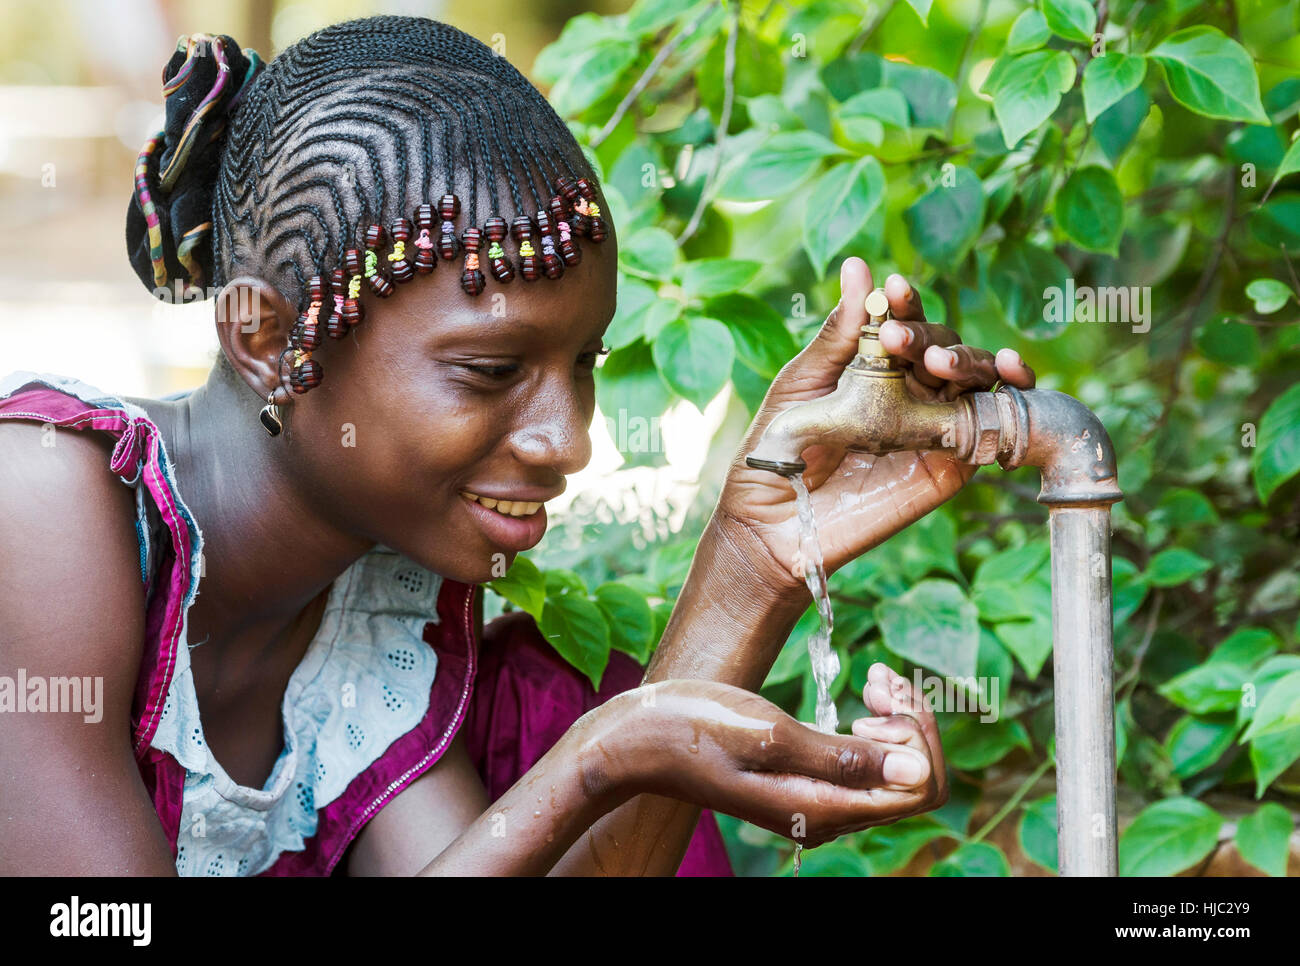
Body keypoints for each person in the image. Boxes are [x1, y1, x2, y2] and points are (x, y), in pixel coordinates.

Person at [0, 16, 1036, 876]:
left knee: (569, 698)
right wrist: (596, 757)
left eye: (582, 364)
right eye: (491, 372)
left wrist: (751, 561)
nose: (567, 441)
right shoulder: (43, 503)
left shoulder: (373, 598)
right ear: (265, 338)